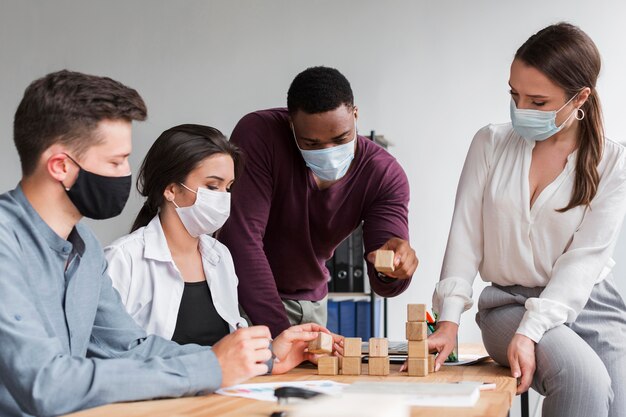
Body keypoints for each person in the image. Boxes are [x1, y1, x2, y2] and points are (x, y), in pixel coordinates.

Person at [0, 70, 318, 417]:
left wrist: (261, 358)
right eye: (115, 161)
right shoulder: (6, 243)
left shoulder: (85, 249)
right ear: (60, 165)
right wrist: (210, 368)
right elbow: (45, 384)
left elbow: (130, 347)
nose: (126, 174)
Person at [429, 23, 626, 417]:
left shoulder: (613, 162)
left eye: (537, 102)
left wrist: (534, 331)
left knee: (616, 403)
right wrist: (448, 320)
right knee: (583, 378)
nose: (521, 111)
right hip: (508, 303)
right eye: (514, 96)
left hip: (591, 304)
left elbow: (583, 262)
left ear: (580, 98)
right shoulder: (490, 142)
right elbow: (464, 238)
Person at [104, 124, 338, 367]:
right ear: (171, 189)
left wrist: (278, 348)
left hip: (221, 396)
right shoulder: (123, 260)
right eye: (213, 186)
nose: (224, 197)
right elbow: (114, 355)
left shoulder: (220, 256)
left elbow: (231, 353)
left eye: (229, 187)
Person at [219, 66, 419, 337]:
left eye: (341, 139)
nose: (329, 153)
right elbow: (241, 240)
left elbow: (384, 279)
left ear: (355, 115)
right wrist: (282, 334)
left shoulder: (383, 174)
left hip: (311, 307)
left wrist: (393, 270)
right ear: (291, 126)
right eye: (311, 144)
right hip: (242, 300)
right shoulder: (259, 133)